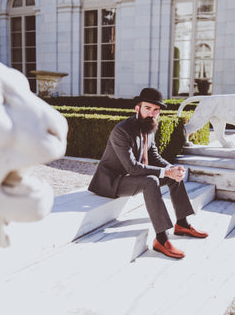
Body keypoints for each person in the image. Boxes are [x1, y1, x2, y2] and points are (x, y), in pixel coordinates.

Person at [88, 87, 208, 259]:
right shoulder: (121, 131)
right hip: (112, 181)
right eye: (147, 108)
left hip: (131, 177)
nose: (152, 113)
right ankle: (161, 239)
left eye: (156, 110)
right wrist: (166, 171)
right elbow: (132, 168)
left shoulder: (150, 126)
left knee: (172, 176)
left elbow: (153, 156)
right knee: (151, 180)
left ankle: (182, 224)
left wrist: (172, 169)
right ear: (137, 108)